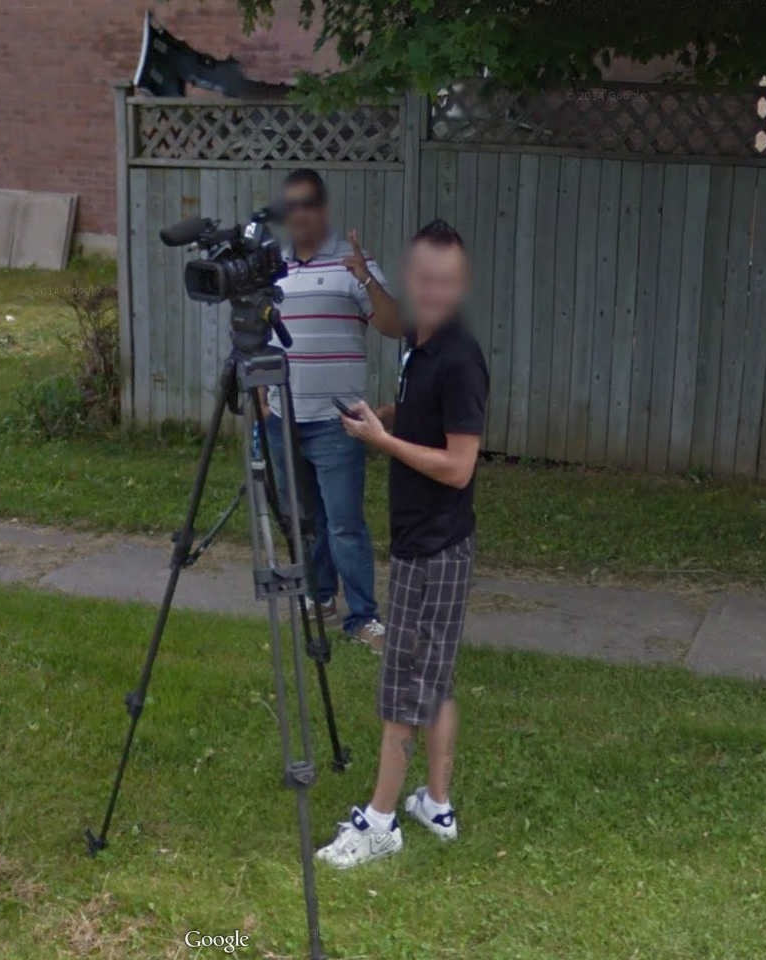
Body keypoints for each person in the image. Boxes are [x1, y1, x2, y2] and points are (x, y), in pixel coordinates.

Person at [315, 220, 489, 869]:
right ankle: (434, 805)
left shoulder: (460, 358)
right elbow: (411, 385)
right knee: (435, 681)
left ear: (460, 284)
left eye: (446, 281)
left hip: (434, 549)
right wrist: (382, 417)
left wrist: (382, 444)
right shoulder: (423, 340)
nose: (433, 290)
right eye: (423, 278)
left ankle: (380, 821)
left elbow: (459, 465)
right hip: (433, 542)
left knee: (402, 689)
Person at [264, 168, 403, 649]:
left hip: (337, 421)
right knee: (306, 519)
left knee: (344, 523)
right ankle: (321, 596)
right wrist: (264, 405)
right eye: (291, 206)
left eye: (308, 203)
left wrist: (366, 275)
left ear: (322, 210)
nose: (299, 213)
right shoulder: (273, 268)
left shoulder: (351, 265)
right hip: (284, 420)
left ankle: (363, 616)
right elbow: (262, 340)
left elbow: (393, 325)